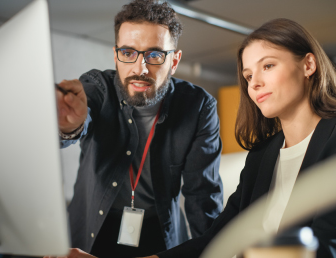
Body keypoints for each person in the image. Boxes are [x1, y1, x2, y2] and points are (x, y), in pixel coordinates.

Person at [142, 18, 336, 258]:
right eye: (248, 76)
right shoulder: (261, 157)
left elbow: (330, 244)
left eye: (268, 66)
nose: (255, 84)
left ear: (308, 65)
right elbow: (217, 240)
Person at [54, 0, 223, 257]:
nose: (140, 69)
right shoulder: (97, 87)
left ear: (174, 61)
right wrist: (70, 126)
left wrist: (215, 253)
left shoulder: (198, 107)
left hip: (159, 232)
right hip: (92, 229)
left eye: (154, 55)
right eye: (128, 53)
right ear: (116, 55)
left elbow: (203, 197)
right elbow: (79, 121)